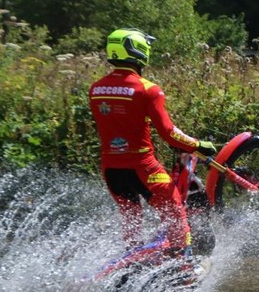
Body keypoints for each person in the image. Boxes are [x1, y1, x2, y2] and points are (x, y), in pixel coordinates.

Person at [88, 28, 217, 262]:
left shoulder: (96, 89)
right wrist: (198, 144)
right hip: (143, 168)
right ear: (139, 51)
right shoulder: (148, 89)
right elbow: (168, 133)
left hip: (111, 169)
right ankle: (183, 268)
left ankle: (133, 265)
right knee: (175, 214)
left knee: (132, 218)